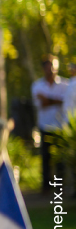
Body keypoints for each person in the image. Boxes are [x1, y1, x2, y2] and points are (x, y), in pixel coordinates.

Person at [32, 55, 70, 193]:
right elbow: (41, 104)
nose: (51, 70)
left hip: (61, 127)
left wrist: (48, 99)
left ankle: (59, 187)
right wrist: (57, 100)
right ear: (43, 69)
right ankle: (46, 187)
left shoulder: (66, 85)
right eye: (48, 68)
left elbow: (65, 103)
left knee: (60, 159)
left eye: (53, 67)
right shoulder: (37, 86)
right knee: (46, 157)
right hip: (44, 126)